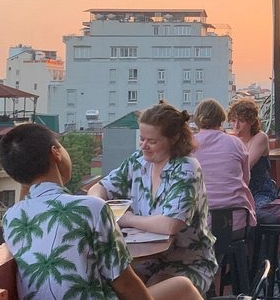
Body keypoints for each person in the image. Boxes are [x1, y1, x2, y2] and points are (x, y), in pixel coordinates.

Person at [0, 123, 201, 300]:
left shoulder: (12, 218)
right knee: (182, 286)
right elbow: (125, 284)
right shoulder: (91, 208)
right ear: (56, 153)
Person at [89, 102, 216, 294]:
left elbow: (170, 224)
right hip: (145, 261)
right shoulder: (137, 162)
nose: (144, 146)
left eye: (152, 141)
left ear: (173, 139)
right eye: (141, 139)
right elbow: (98, 188)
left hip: (187, 261)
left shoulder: (186, 168)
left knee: (147, 292)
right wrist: (100, 206)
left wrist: (126, 219)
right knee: (108, 288)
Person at [192, 98, 256, 231]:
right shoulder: (236, 143)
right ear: (221, 118)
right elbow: (245, 180)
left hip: (200, 224)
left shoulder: (188, 145)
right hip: (236, 221)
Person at [227, 98, 277, 209]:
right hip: (238, 192)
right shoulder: (230, 139)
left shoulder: (260, 137)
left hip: (261, 192)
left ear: (252, 122)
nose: (236, 125)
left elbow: (246, 166)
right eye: (233, 120)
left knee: (250, 211)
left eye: (241, 121)